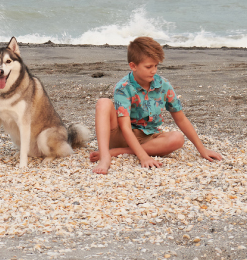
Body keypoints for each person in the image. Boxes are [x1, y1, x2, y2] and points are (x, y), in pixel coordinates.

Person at [90, 36, 222, 174]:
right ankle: (105, 156)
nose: (153, 71)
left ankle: (120, 152)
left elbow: (181, 119)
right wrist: (143, 157)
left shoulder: (163, 85)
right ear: (133, 66)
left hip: (148, 138)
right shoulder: (123, 87)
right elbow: (125, 127)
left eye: (156, 66)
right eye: (148, 67)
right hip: (120, 135)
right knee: (103, 102)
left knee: (177, 138)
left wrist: (202, 149)